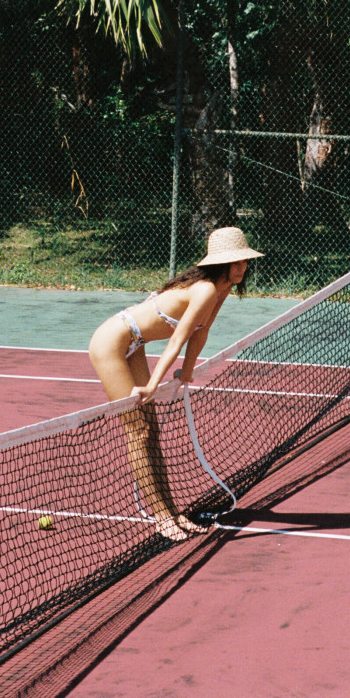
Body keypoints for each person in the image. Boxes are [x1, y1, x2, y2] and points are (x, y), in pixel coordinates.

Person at [89, 226, 263, 541]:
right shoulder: (206, 289)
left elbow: (201, 331)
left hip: (134, 343)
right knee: (138, 432)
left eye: (245, 261)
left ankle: (172, 512)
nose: (243, 267)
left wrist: (187, 371)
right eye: (236, 262)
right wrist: (153, 384)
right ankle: (162, 518)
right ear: (221, 263)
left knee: (151, 431)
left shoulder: (221, 288)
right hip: (111, 341)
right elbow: (176, 341)